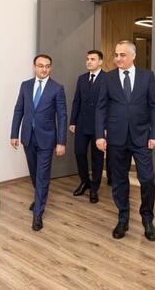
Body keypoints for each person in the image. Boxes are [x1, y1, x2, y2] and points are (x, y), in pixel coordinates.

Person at [95, 40, 155, 241]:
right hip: (116, 138)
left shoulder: (147, 76)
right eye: (116, 54)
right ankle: (123, 218)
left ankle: (147, 219)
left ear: (133, 55)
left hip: (142, 137)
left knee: (147, 179)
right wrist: (99, 135)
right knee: (119, 179)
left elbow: (154, 107)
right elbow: (101, 107)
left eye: (122, 55)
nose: (118, 58)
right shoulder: (108, 78)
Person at [11, 54, 67, 231]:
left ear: (50, 68)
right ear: (34, 67)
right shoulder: (25, 85)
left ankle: (38, 213)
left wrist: (61, 142)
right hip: (28, 136)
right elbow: (19, 109)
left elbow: (62, 116)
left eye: (47, 66)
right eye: (41, 66)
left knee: (42, 175)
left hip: (47, 139)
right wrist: (14, 134)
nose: (44, 69)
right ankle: (39, 197)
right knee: (34, 173)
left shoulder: (57, 88)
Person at [69, 50, 108, 203]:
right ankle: (85, 181)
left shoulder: (107, 78)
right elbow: (76, 101)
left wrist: (106, 127)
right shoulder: (82, 79)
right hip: (81, 123)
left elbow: (110, 105)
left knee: (97, 158)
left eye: (92, 59)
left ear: (100, 62)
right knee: (79, 153)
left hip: (99, 126)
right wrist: (73, 121)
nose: (89, 61)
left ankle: (94, 188)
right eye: (87, 59)